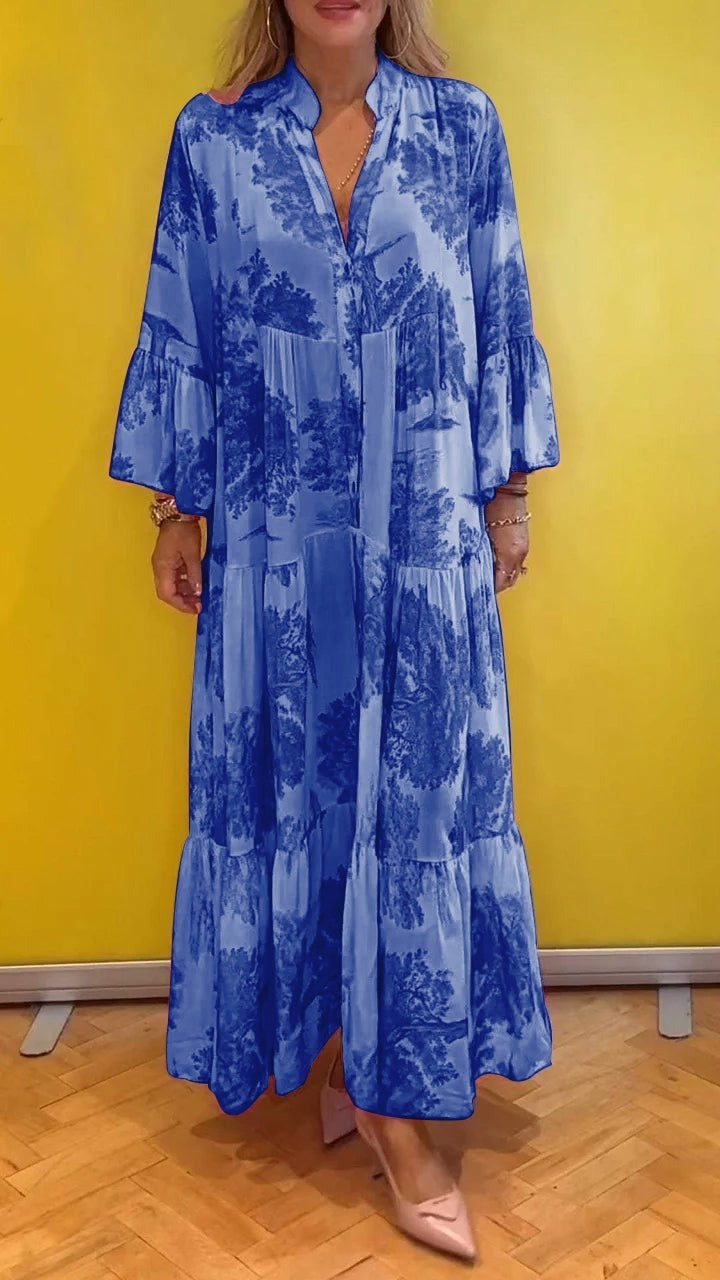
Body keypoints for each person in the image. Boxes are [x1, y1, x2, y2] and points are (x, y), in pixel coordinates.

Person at [108, 0, 560, 1261]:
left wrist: (509, 495)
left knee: (412, 810)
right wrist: (174, 511)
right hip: (277, 552)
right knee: (299, 798)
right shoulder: (213, 141)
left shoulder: (462, 131)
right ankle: (345, 1066)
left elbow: (497, 304)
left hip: (421, 544)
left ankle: (397, 1108)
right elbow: (184, 325)